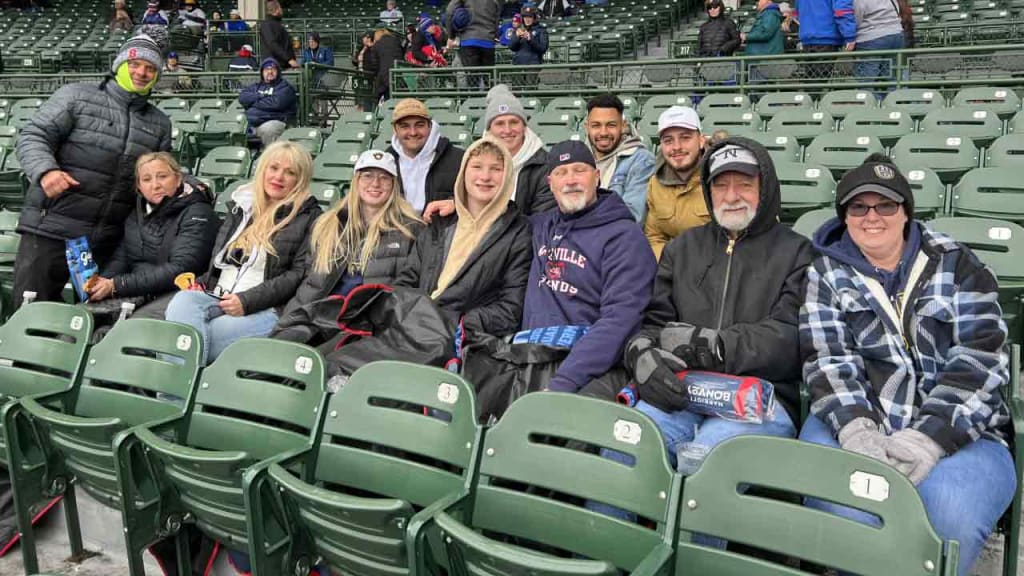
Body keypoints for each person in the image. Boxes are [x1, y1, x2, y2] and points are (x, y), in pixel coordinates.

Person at [799, 154, 1015, 576]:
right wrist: (857, 430)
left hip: (964, 430)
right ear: (845, 216)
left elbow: (982, 359)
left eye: (886, 205)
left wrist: (929, 437)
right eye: (858, 207)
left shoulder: (958, 264)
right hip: (859, 422)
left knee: (947, 516)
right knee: (853, 515)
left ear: (906, 212)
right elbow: (827, 359)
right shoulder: (826, 273)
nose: (872, 216)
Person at [609, 137, 811, 466]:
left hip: (760, 397)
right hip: (683, 393)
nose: (731, 197)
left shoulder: (797, 252)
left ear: (765, 188)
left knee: (707, 457)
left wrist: (715, 347)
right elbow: (654, 324)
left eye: (744, 184)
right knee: (625, 443)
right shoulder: (682, 249)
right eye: (721, 186)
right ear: (708, 190)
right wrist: (641, 355)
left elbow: (791, 338)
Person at [12, 30, 172, 307]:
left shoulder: (159, 123)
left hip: (105, 242)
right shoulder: (76, 96)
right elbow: (33, 136)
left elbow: (161, 175)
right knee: (30, 312)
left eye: (150, 68)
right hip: (51, 229)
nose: (141, 72)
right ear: (119, 64)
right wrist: (45, 171)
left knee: (85, 320)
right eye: (134, 64)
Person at [165, 141, 321, 365]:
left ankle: (173, 398)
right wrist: (201, 282)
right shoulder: (242, 207)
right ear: (263, 169)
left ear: (301, 179)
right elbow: (222, 264)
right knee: (182, 302)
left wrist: (246, 301)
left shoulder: (309, 217)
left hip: (267, 308)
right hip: (219, 296)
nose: (279, 177)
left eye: (290, 173)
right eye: (274, 168)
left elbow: (297, 274)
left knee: (186, 341)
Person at [520, 140, 656, 393]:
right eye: (561, 173)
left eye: (579, 170)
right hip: (531, 358)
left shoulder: (625, 237)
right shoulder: (539, 226)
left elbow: (620, 319)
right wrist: (456, 205)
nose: (570, 180)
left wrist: (565, 381)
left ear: (597, 177)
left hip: (588, 370)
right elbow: (493, 219)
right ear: (550, 184)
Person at [273, 150, 422, 345]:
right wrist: (292, 317)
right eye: (367, 176)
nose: (375, 184)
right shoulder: (328, 223)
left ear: (394, 185)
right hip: (316, 316)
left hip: (364, 325)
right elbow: (310, 281)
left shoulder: (411, 230)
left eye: (384, 178)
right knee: (273, 356)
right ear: (356, 181)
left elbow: (407, 289)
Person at [394, 136, 532, 337]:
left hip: (459, 338)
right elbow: (406, 281)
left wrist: (455, 322)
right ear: (463, 173)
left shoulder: (518, 232)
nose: (485, 176)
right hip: (410, 325)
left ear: (508, 176)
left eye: (496, 169)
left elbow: (510, 309)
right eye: (477, 166)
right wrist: (410, 313)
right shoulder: (439, 223)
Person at [85, 152, 218, 319]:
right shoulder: (137, 213)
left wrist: (117, 285)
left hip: (174, 294)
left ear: (178, 179)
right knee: (79, 319)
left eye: (162, 176)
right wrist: (102, 281)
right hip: (135, 291)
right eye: (146, 179)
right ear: (138, 186)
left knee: (125, 331)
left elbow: (182, 268)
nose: (155, 185)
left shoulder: (198, 213)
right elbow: (123, 257)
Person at [644, 106, 709, 260]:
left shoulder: (720, 178)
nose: (677, 147)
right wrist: (673, 265)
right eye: (668, 140)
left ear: (701, 141)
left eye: (685, 138)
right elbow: (654, 237)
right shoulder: (655, 183)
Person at [385, 98, 464, 215]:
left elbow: (476, 199)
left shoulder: (459, 159)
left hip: (443, 231)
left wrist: (455, 203)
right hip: (397, 230)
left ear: (430, 126)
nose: (413, 132)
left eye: (419, 125)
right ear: (395, 130)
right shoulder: (385, 162)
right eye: (404, 126)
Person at [584, 93, 656, 223]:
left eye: (611, 125)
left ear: (623, 125)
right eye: (596, 125)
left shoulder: (641, 160)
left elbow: (633, 217)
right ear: (586, 127)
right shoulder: (578, 160)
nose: (603, 132)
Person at [239, 58, 297, 147]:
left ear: (278, 72)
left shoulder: (285, 87)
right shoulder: (256, 87)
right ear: (262, 72)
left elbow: (276, 104)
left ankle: (271, 157)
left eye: (273, 69)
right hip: (252, 122)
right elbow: (242, 97)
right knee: (236, 126)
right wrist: (261, 96)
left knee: (269, 129)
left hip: (276, 121)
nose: (270, 72)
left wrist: (252, 103)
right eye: (267, 69)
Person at [446, 0, 502, 89]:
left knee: (472, 80)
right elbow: (497, 20)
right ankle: (490, 100)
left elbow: (449, 11)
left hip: (468, 41)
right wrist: (492, 35)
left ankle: (473, 101)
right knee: (489, 80)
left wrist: (451, 36)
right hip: (488, 41)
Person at [793, 0, 855, 77]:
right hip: (827, 37)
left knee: (812, 78)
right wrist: (850, 36)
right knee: (821, 78)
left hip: (807, 37)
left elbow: (796, 13)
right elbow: (842, 11)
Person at [853, 0, 905, 82]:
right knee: (892, 76)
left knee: (867, 77)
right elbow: (897, 10)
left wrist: (849, 36)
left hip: (871, 37)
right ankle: (892, 94)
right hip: (896, 33)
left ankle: (869, 95)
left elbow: (856, 18)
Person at [363, 28, 404, 103]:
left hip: (384, 74)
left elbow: (375, 64)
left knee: (377, 96)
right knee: (396, 95)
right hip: (397, 72)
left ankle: (374, 111)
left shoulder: (377, 45)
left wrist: (374, 74)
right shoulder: (396, 41)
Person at [260, 0, 298, 70]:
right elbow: (272, 44)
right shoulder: (267, 24)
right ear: (276, 9)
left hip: (282, 65)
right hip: (274, 66)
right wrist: (289, 59)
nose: (282, 10)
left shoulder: (277, 24)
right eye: (280, 8)